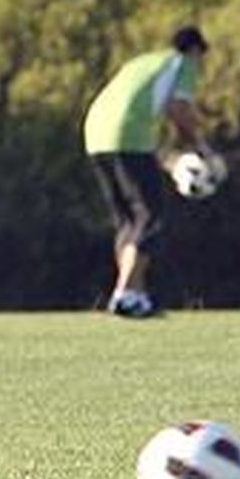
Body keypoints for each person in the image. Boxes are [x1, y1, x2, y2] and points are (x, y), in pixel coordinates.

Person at [82, 25, 215, 319]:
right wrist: (203, 149)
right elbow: (180, 110)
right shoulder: (183, 63)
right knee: (151, 216)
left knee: (129, 220)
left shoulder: (143, 63)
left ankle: (136, 297)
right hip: (127, 135)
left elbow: (142, 120)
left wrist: (173, 162)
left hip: (95, 134)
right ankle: (124, 293)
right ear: (194, 50)